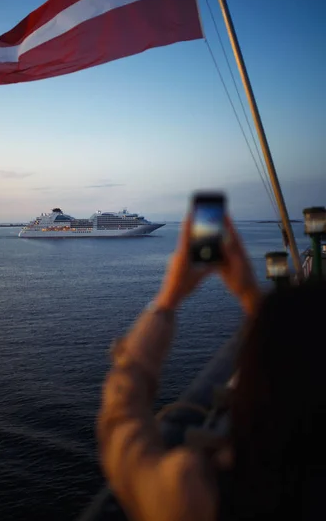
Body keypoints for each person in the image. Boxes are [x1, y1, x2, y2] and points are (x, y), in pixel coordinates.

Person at [97, 212, 326, 520]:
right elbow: (292, 354)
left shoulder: (192, 497)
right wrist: (250, 294)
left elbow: (120, 423)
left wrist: (169, 297)